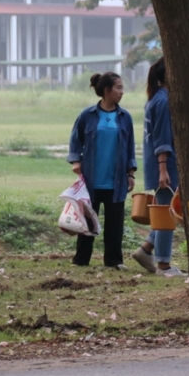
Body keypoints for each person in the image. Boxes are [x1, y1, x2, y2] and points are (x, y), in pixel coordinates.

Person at [67, 72, 137, 269]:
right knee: (88, 220)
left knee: (115, 223)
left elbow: (130, 147)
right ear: (107, 90)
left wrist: (131, 173)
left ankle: (114, 261)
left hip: (116, 180)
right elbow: (75, 139)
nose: (122, 92)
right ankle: (81, 259)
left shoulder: (125, 117)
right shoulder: (87, 115)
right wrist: (76, 161)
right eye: (118, 88)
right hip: (91, 179)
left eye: (122, 88)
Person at [131, 57, 186, 278]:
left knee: (167, 211)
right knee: (166, 213)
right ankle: (163, 266)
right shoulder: (163, 102)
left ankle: (146, 250)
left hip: (160, 165)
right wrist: (163, 169)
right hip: (165, 166)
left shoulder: (155, 99)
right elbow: (162, 139)